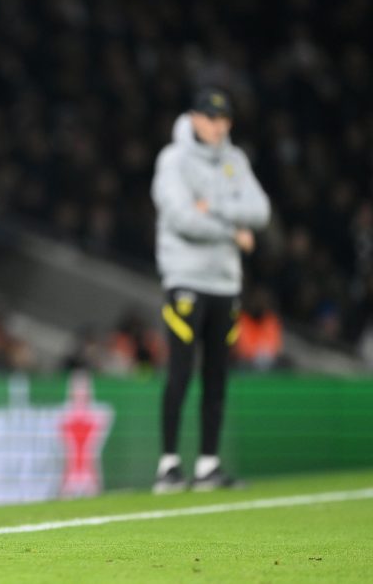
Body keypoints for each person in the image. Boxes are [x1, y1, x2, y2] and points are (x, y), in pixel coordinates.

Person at [150, 88, 270, 493]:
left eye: (223, 119)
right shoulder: (173, 159)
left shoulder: (235, 161)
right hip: (185, 278)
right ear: (194, 118)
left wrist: (213, 208)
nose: (217, 125)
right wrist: (234, 232)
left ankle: (207, 465)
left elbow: (261, 210)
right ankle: (168, 465)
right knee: (181, 371)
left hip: (225, 283)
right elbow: (182, 218)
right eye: (210, 117)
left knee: (217, 374)